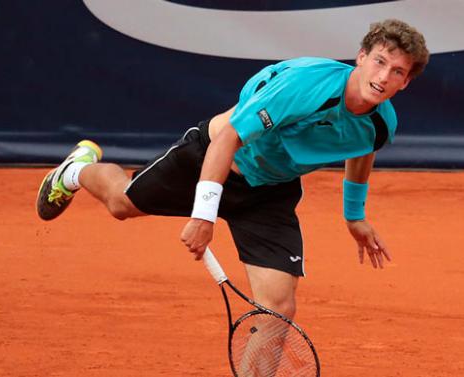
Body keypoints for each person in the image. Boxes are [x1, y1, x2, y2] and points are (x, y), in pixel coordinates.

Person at [36, 19, 429, 321]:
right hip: (212, 156)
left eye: (397, 71)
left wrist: (354, 215)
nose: (383, 77)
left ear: (406, 82)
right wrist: (204, 213)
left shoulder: (381, 123)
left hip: (270, 190)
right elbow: (229, 139)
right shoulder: (304, 85)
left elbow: (360, 149)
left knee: (278, 307)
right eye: (379, 61)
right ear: (361, 57)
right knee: (122, 203)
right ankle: (74, 170)